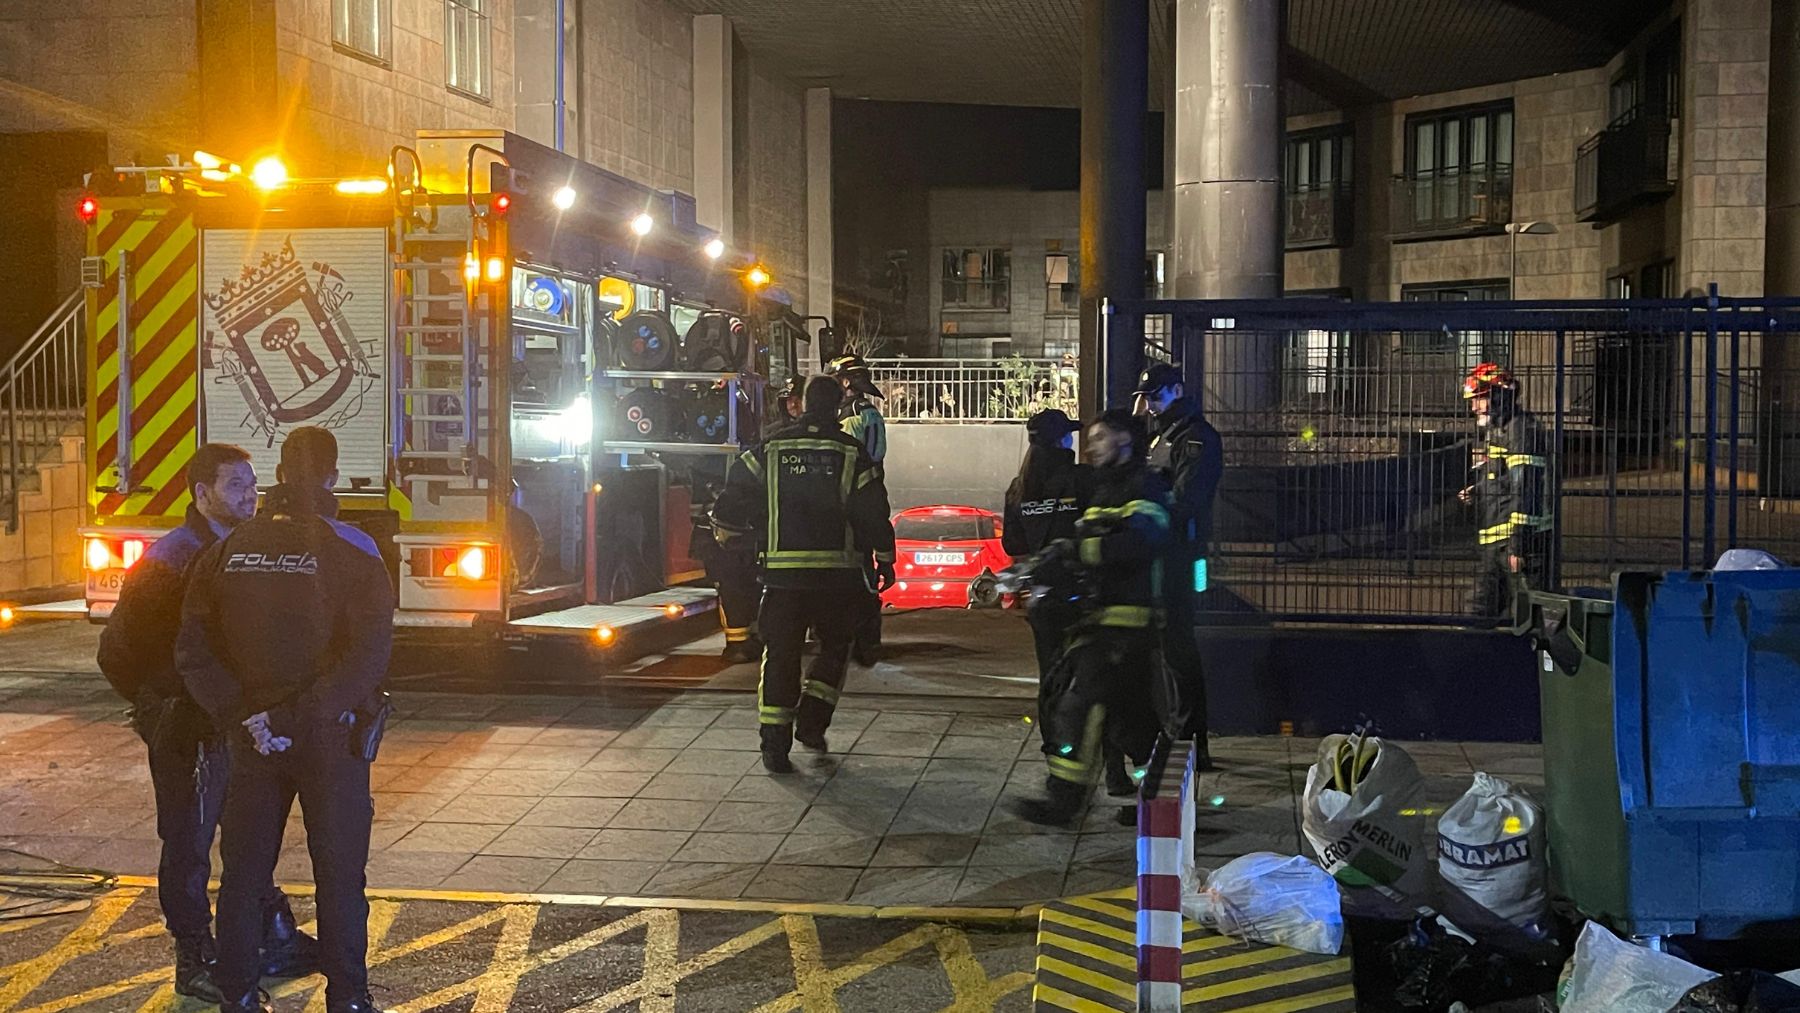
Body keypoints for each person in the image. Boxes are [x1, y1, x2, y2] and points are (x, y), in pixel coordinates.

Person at [178, 427, 395, 1013]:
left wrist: (245, 715)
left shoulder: (224, 551)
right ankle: (348, 1000)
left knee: (244, 879)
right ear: (330, 476)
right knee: (340, 879)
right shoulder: (355, 549)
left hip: (251, 742)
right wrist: (297, 716)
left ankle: (238, 998)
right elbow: (368, 655)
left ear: (275, 476)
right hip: (330, 737)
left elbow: (193, 650)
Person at [96, 444, 319, 1003]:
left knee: (247, 835)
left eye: (251, 483)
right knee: (190, 842)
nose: (250, 494)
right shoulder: (172, 559)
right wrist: (163, 710)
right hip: (189, 727)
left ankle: (269, 936)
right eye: (235, 485)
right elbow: (119, 651)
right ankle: (192, 955)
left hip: (232, 722)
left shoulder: (239, 549)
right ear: (202, 494)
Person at [712, 376, 896, 772]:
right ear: (836, 409)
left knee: (780, 656)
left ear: (803, 405)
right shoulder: (852, 453)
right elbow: (873, 512)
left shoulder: (771, 448)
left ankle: (774, 749)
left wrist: (727, 530)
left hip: (783, 578)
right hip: (837, 579)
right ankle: (812, 722)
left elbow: (735, 490)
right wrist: (884, 558)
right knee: (835, 649)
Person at [1013, 410, 1171, 826]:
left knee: (1079, 703)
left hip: (1129, 620)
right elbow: (1089, 542)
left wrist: (1076, 553)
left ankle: (1065, 801)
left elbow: (1139, 543)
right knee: (1130, 723)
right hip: (1103, 618)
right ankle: (1162, 803)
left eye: (1101, 437)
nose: (1091, 445)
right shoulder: (1106, 489)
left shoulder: (1145, 486)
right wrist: (1056, 558)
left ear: (1125, 440)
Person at [1134, 362, 1223, 770]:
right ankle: (1179, 731)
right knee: (1166, 649)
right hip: (1163, 555)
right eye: (1147, 397)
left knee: (1179, 648)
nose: (1150, 404)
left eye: (1156, 396)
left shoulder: (1195, 438)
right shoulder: (1163, 435)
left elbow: (1187, 498)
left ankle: (1190, 737)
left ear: (1177, 390)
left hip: (1183, 558)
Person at [1002, 409, 1088, 746]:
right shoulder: (1081, 479)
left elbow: (1013, 543)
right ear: (1063, 440)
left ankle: (1054, 746)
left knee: (1050, 674)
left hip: (1042, 597)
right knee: (1089, 677)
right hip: (1082, 592)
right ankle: (1106, 763)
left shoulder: (1019, 488)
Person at [1460, 363, 1551, 619]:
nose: (1474, 407)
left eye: (1479, 398)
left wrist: (1518, 545)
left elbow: (1527, 488)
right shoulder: (1502, 429)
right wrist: (1478, 490)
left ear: (1498, 396)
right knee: (1481, 612)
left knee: (1534, 619)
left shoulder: (1520, 431)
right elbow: (1505, 478)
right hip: (1499, 543)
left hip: (1519, 547)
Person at [825, 354, 888, 667]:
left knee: (853, 575)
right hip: (872, 494)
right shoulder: (870, 412)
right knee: (865, 573)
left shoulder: (848, 417)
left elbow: (843, 460)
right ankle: (869, 641)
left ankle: (856, 641)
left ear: (845, 382)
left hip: (850, 500)